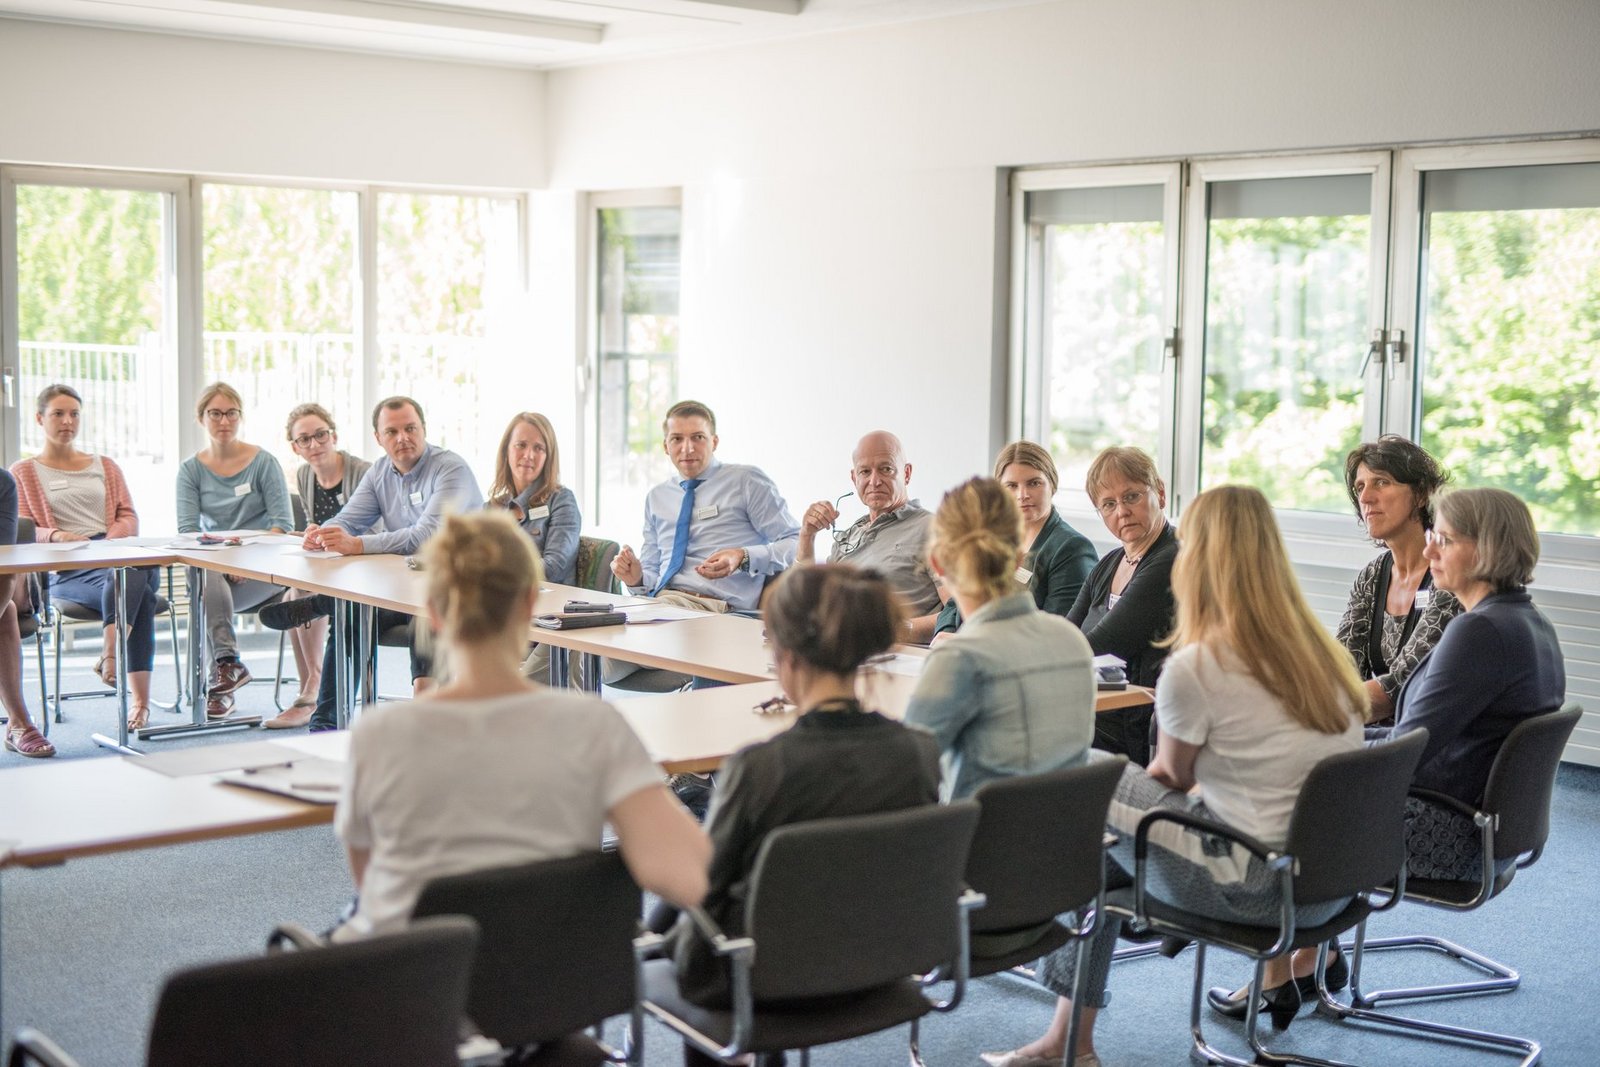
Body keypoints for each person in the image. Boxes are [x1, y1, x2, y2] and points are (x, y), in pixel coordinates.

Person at [987, 487, 1365, 1067]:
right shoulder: (1324, 656)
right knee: (1098, 863)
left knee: (1085, 773)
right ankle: (1068, 1044)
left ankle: (1007, 922)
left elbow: (1168, 780)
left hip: (1250, 883)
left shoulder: (1200, 665)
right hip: (1328, 888)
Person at [333, 509, 709, 941]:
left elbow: (369, 878)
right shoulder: (594, 728)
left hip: (422, 987)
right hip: (554, 987)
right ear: (531, 603)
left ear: (433, 613)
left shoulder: (380, 735)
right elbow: (688, 874)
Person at [661, 564, 941, 1062]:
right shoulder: (919, 752)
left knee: (689, 927)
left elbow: (704, 885)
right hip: (879, 965)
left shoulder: (760, 767)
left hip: (761, 980)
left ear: (785, 657)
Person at [261, 396, 483, 732]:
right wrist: (323, 535)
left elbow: (427, 536)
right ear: (378, 438)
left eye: (410, 429)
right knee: (350, 613)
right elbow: (350, 518)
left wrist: (357, 544)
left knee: (422, 607)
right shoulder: (380, 472)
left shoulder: (451, 469)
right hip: (408, 589)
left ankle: (320, 604)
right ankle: (325, 726)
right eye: (391, 432)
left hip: (460, 591)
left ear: (424, 429)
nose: (402, 438)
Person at [1379, 487, 1566, 880]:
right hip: (1488, 833)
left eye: (1443, 541)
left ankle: (1303, 928)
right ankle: (1316, 939)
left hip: (1449, 833)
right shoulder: (1531, 622)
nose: (1429, 552)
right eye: (1433, 537)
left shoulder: (1480, 631)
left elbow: (1407, 749)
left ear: (1487, 549)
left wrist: (1320, 749)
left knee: (1286, 801)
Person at [904, 476, 1096, 801]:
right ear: (1020, 554)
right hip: (1067, 845)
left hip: (974, 846)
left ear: (937, 562)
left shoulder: (958, 660)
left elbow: (903, 773)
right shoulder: (1073, 643)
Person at [609, 399, 800, 684]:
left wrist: (742, 556)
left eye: (697, 438)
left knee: (593, 655)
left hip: (717, 611)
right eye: (677, 439)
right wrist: (634, 577)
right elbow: (649, 574)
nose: (687, 448)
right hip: (662, 607)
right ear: (665, 446)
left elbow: (793, 541)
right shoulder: (657, 497)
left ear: (714, 441)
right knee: (578, 647)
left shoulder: (746, 481)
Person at [10, 384, 163, 733]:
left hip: (112, 552)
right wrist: (56, 535)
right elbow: (22, 528)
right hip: (69, 568)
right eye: (58, 414)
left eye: (74, 414)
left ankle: (110, 654)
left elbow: (128, 516)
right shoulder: (24, 471)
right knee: (141, 592)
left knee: (130, 568)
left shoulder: (105, 465)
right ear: (39, 418)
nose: (68, 421)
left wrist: (108, 545)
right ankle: (139, 703)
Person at [176, 382, 294, 720]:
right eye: (215, 413)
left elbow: (282, 526)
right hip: (216, 572)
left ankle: (222, 678)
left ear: (240, 417)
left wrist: (247, 561)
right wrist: (225, 560)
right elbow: (187, 532)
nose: (223, 421)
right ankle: (228, 667)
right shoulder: (190, 470)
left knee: (202, 589)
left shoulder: (263, 463)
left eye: (231, 413)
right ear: (201, 419)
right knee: (203, 574)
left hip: (264, 573)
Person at [263, 403, 374, 729]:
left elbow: (374, 526)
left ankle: (312, 689)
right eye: (304, 440)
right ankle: (311, 685)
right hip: (328, 562)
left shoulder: (362, 471)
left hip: (362, 560)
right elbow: (316, 522)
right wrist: (310, 534)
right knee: (290, 597)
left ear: (334, 435)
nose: (314, 445)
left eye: (321, 435)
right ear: (295, 447)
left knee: (295, 596)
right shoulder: (304, 475)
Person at [1337, 436, 1463, 723]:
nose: (1366, 498)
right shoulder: (1371, 576)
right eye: (1360, 486)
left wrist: (1316, 715)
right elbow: (1342, 668)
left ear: (1421, 495)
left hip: (1421, 744)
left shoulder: (1448, 577)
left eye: (1381, 482)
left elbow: (1401, 688)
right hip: (1378, 736)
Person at [1067, 446, 1179, 764]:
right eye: (1109, 504)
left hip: (1136, 730)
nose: (1122, 512)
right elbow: (1066, 631)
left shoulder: (1170, 560)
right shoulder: (1109, 564)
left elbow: (1101, 644)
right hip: (1095, 715)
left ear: (1160, 493)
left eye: (1132, 497)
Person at [932, 440, 1096, 640]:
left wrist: (971, 643)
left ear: (1052, 484)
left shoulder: (1071, 548)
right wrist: (945, 633)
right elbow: (954, 604)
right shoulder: (990, 538)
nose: (1023, 495)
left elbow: (1057, 629)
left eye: (1034, 483)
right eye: (1012, 486)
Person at [795, 430, 944, 643]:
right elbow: (806, 603)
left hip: (892, 657)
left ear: (907, 473)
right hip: (838, 652)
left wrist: (893, 631)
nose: (874, 481)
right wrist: (806, 537)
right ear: (854, 478)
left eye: (886, 469)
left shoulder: (934, 529)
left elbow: (959, 611)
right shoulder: (849, 535)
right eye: (865, 472)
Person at [486, 411, 580, 586]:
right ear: (506, 451)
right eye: (521, 445)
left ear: (548, 457)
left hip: (549, 607)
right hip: (499, 603)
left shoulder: (562, 501)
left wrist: (497, 571)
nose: (529, 455)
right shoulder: (491, 508)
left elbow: (554, 567)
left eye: (539, 448)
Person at [1, 468, 54, 756]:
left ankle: (18, 722)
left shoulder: (1, 483)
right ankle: (19, 722)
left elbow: (5, 569)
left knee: (6, 609)